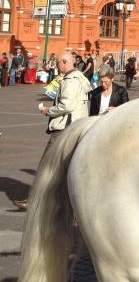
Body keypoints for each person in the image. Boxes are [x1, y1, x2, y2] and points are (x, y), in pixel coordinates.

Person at [15, 52, 92, 210]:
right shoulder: (79, 78)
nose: (57, 66)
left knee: (47, 165)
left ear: (65, 62)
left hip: (64, 128)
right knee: (65, 167)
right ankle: (67, 203)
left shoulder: (71, 81)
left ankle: (35, 200)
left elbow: (67, 106)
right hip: (74, 127)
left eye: (58, 63)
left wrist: (49, 111)